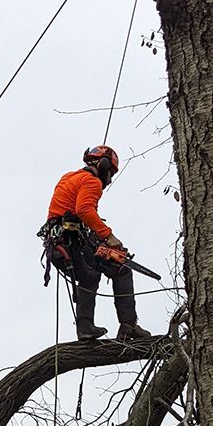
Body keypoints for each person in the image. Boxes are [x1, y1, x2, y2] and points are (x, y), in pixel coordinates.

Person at [39, 145, 152, 342]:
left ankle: (114, 327)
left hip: (66, 241)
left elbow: (76, 213)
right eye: (111, 173)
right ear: (105, 165)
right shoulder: (92, 182)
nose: (110, 178)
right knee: (100, 274)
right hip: (69, 242)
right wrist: (108, 236)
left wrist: (99, 240)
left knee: (115, 267)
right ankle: (109, 326)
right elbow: (84, 210)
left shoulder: (69, 177)